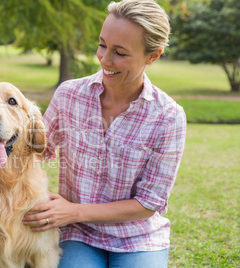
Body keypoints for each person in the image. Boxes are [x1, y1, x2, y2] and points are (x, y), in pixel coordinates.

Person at [23, 0, 187, 267]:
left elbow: (147, 203)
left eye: (120, 53)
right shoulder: (69, 95)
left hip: (137, 236)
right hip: (78, 231)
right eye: (102, 45)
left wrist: (73, 210)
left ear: (152, 56)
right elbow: (36, 151)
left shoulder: (169, 117)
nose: (104, 59)